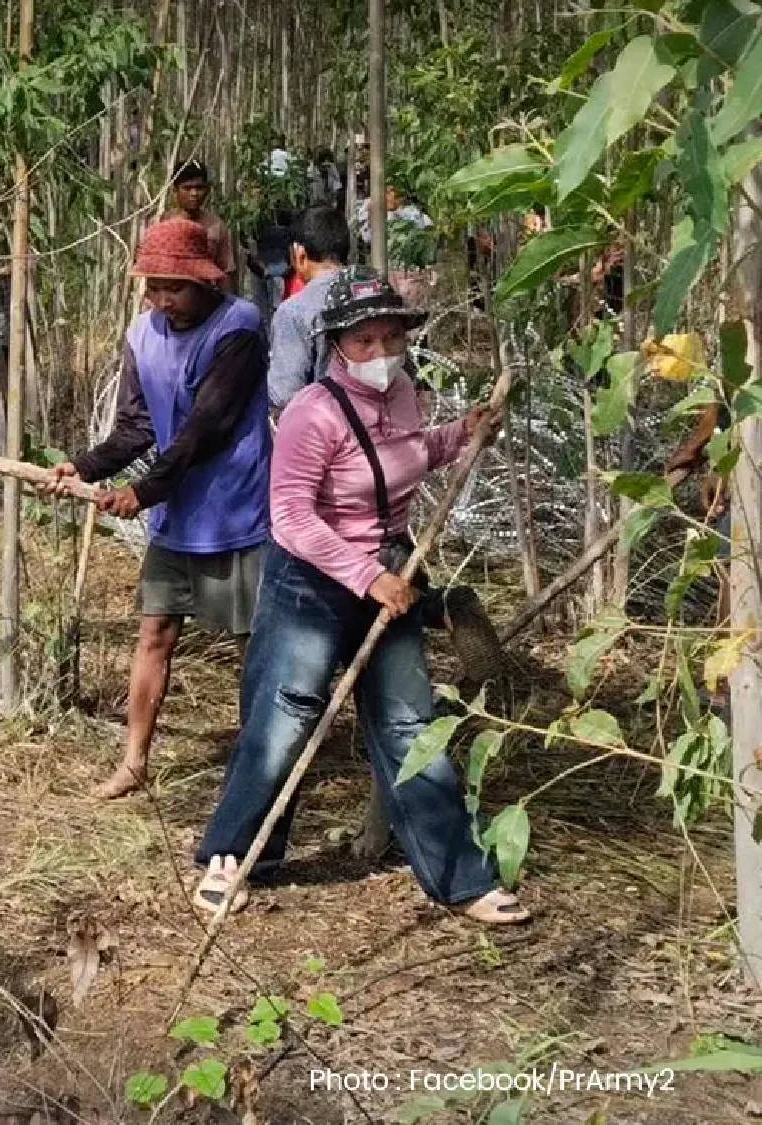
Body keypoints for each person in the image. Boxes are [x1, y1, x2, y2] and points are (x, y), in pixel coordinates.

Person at [190, 269, 528, 925]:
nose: (378, 353)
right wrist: (362, 573)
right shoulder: (311, 413)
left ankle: (462, 877)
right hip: (311, 582)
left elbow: (407, 455)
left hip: (391, 576)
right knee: (284, 720)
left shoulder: (404, 395)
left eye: (390, 337)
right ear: (337, 345)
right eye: (363, 340)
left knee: (410, 725)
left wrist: (462, 434)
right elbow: (289, 515)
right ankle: (231, 855)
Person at [39, 218, 271, 801]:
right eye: (155, 287)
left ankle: (258, 765)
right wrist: (86, 467)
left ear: (205, 282)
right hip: (176, 514)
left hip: (235, 509)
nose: (165, 300)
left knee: (252, 644)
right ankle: (134, 761)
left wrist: (142, 493)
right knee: (155, 633)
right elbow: (139, 425)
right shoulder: (143, 334)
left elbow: (208, 429)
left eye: (177, 287)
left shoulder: (238, 328)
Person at [267, 207, 351, 409]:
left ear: (300, 254)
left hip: (326, 427)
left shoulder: (295, 311)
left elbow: (285, 393)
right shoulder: (376, 290)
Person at [163, 162, 236, 289]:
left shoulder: (216, 226)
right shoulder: (163, 223)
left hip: (205, 296)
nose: (194, 194)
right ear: (175, 190)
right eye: (187, 188)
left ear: (207, 190)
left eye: (199, 188)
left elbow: (225, 271)